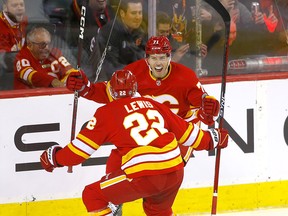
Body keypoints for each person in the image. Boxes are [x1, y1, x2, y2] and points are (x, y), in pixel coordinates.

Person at [40, 69, 229, 215]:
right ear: (135, 90)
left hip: (145, 176)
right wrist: (215, 138)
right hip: (175, 172)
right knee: (158, 212)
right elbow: (190, 136)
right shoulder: (154, 104)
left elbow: (79, 152)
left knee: (92, 195)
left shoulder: (107, 112)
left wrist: (54, 158)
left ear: (111, 92)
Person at [66, 35, 220, 165]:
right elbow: (107, 93)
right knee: (118, 158)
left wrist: (209, 110)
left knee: (167, 165)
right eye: (153, 58)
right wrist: (84, 88)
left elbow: (204, 110)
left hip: (181, 130)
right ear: (147, 59)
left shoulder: (186, 77)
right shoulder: (133, 73)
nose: (158, 63)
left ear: (169, 57)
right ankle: (114, 197)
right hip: (151, 129)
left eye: (162, 58)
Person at [88, 0, 147, 81]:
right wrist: (136, 72)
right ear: (122, 14)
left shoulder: (139, 32)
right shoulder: (111, 32)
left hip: (132, 78)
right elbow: (109, 67)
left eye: (140, 13)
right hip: (107, 82)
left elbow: (144, 59)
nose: (138, 17)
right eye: (133, 13)